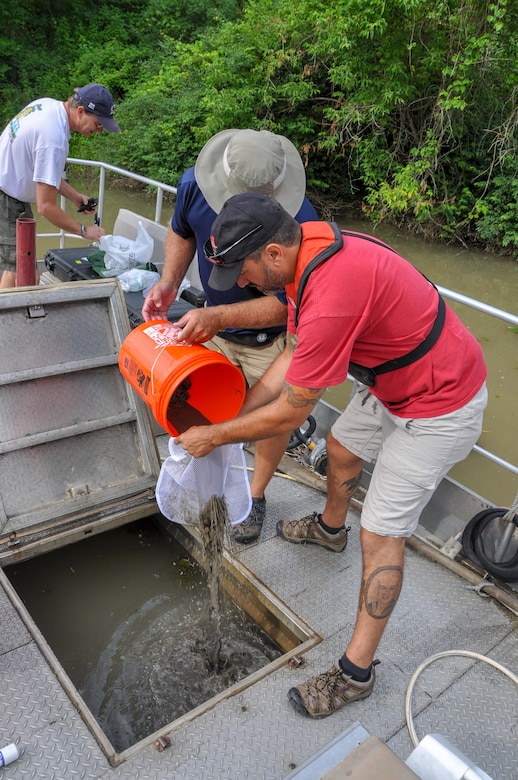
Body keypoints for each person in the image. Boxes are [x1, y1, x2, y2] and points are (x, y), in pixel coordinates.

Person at [175, 191, 488, 718]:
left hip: (439, 405)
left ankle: (356, 674)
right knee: (341, 446)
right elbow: (291, 357)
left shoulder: (333, 290)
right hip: (390, 382)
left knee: (383, 535)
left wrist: (215, 438)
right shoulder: (308, 249)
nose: (245, 282)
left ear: (273, 253)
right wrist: (226, 419)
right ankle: (329, 529)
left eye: (246, 270)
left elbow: (292, 413)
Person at [142, 129, 318, 544]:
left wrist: (220, 315)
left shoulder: (301, 221)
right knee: (199, 401)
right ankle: (208, 488)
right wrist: (169, 281)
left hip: (269, 339)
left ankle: (254, 497)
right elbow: (181, 230)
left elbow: (290, 305)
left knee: (272, 419)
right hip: (211, 324)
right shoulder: (194, 185)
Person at [0, 83, 120, 288]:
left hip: (7, 189)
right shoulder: (53, 137)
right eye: (98, 124)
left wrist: (73, 196)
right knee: (25, 276)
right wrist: (84, 231)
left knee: (14, 270)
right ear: (81, 111)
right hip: (8, 200)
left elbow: (42, 172)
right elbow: (46, 207)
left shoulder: (48, 106)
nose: (99, 131)